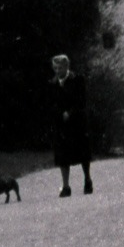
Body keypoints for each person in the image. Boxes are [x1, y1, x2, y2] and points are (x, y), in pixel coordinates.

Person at [49, 54, 92, 196]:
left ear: (67, 67)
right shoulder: (53, 84)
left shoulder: (77, 80)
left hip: (77, 122)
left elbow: (81, 101)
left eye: (60, 68)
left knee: (82, 153)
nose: (57, 71)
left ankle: (87, 179)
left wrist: (70, 112)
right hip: (61, 124)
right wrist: (59, 114)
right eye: (55, 68)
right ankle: (66, 186)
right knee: (62, 155)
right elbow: (51, 103)